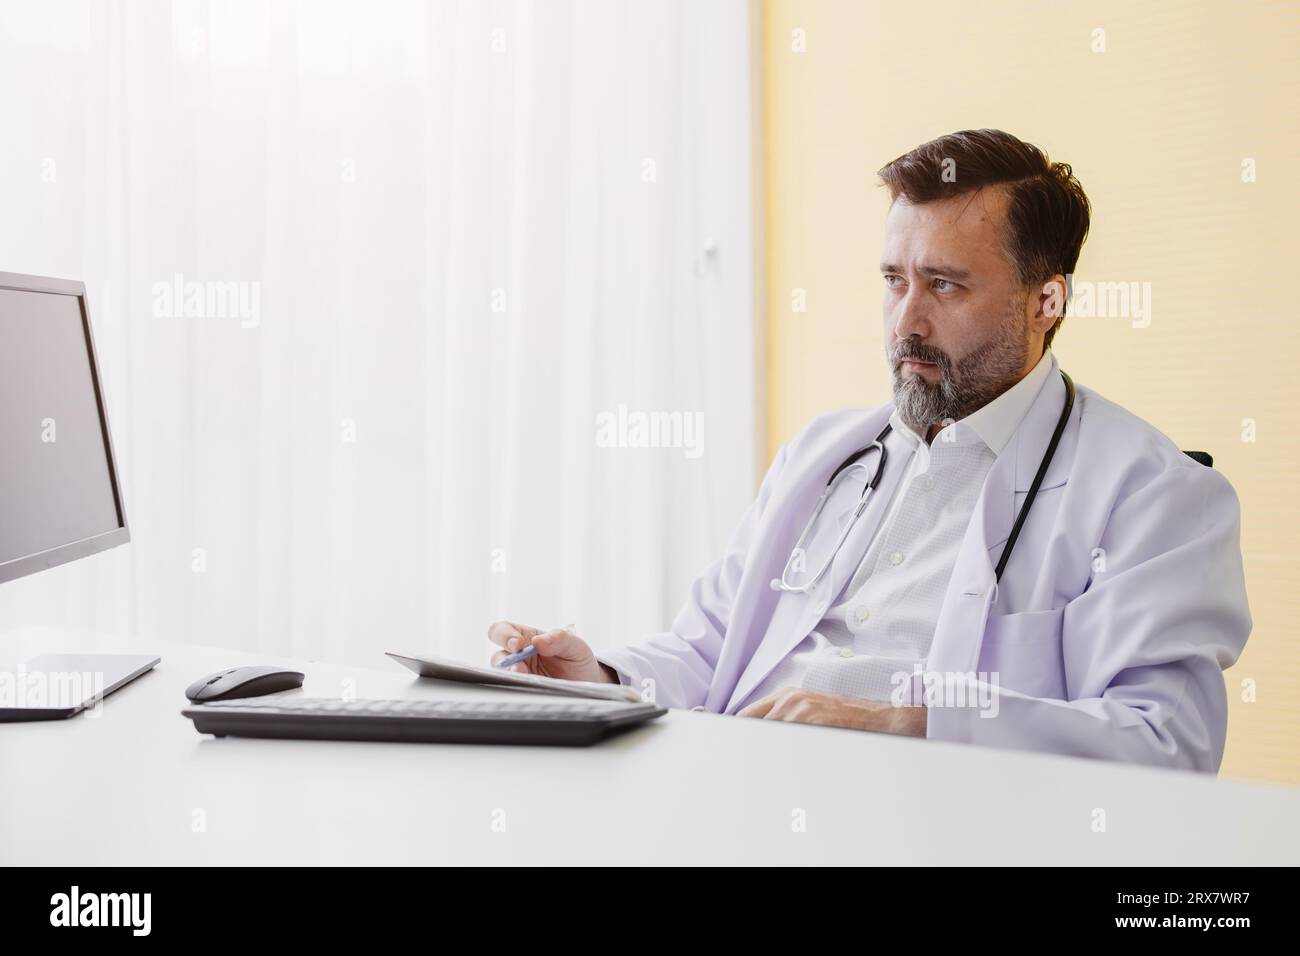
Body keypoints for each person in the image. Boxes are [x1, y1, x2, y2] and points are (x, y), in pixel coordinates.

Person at [488, 129, 1251, 773]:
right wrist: (604, 677)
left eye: (945, 287)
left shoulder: (1151, 494)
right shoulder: (824, 455)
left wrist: (908, 726)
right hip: (741, 790)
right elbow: (711, 646)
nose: (905, 323)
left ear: (1046, 300)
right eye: (894, 281)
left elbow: (1165, 745)